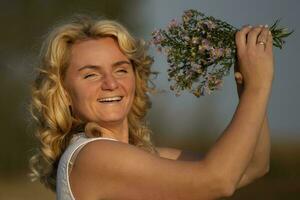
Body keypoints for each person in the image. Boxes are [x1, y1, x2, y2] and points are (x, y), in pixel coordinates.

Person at [29, 14, 273, 200]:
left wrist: (246, 88)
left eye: (121, 69)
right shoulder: (92, 156)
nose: (111, 83)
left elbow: (253, 165)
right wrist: (258, 87)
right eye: (91, 75)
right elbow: (218, 180)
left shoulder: (141, 156)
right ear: (65, 93)